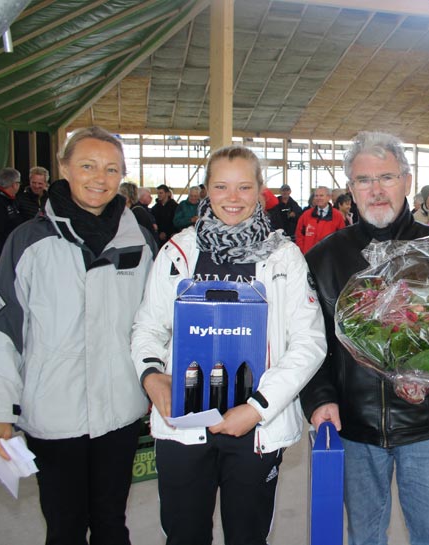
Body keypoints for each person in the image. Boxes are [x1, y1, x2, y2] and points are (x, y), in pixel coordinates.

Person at [131, 145, 326, 545]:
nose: (232, 198)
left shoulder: (284, 257)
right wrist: (152, 377)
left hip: (254, 427)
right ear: (205, 190)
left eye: (243, 187)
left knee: (248, 536)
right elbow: (147, 327)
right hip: (183, 426)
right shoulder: (177, 253)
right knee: (184, 535)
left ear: (260, 191)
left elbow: (309, 342)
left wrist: (257, 409)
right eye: (221, 186)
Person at [0, 126, 156, 544]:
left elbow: (154, 326)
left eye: (112, 169)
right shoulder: (27, 241)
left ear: (123, 176)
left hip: (120, 411)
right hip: (54, 413)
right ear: (64, 168)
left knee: (113, 522)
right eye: (88, 166)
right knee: (64, 527)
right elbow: (4, 334)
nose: (100, 178)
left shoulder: (141, 241)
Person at [301, 131, 429, 545]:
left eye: (386, 177)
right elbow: (309, 345)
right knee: (364, 536)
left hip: (427, 426)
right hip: (354, 427)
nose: (377, 190)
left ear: (407, 180)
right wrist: (319, 400)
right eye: (364, 181)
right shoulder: (323, 258)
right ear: (350, 189)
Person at [295, 186, 346, 254]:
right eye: (316, 196)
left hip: (328, 257)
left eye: (321, 196)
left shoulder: (337, 216)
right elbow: (299, 235)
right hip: (309, 256)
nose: (318, 198)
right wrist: (303, 250)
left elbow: (341, 238)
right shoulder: (306, 215)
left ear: (329, 197)